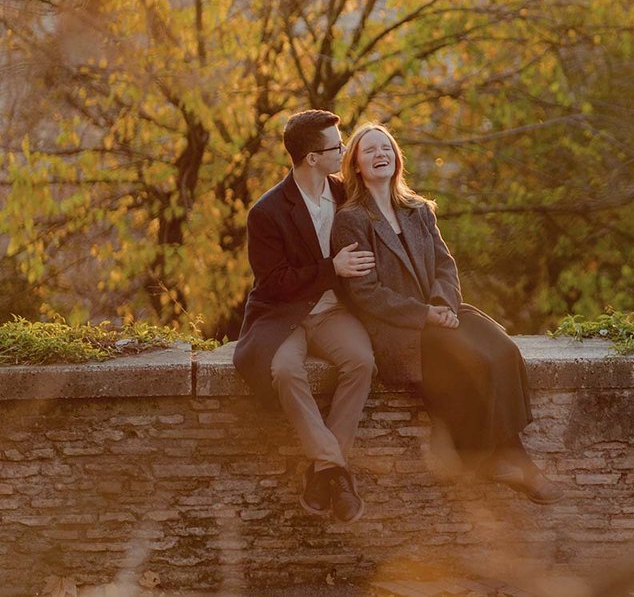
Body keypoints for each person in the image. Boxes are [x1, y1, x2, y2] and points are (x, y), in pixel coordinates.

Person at [329, 122, 563, 504]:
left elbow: (445, 265)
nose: (379, 154)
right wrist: (424, 314)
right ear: (355, 165)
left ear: (397, 158)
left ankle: (500, 459)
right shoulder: (351, 220)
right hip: (398, 328)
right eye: (369, 150)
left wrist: (441, 304)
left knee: (504, 351)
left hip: (442, 311)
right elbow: (365, 294)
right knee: (469, 360)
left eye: (386, 148)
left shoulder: (419, 210)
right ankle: (511, 462)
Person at [233, 108, 379, 522]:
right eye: (337, 147)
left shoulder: (347, 195)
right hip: (283, 315)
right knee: (284, 370)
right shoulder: (266, 212)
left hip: (333, 312)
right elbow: (274, 282)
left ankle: (322, 471)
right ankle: (336, 467)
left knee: (362, 361)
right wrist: (332, 268)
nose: (344, 151)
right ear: (312, 158)